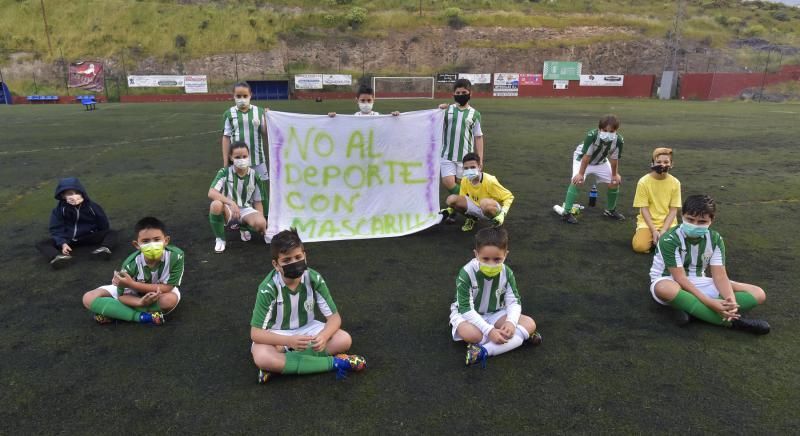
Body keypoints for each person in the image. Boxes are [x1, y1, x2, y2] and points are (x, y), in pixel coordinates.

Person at [250, 228, 366, 383]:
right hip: (278, 335)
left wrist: (324, 337)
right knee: (262, 356)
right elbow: (256, 333)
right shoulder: (268, 288)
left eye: (298, 257)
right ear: (276, 264)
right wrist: (288, 342)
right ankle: (336, 363)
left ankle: (279, 366)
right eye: (286, 260)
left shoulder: (314, 278)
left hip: (308, 330)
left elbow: (334, 318)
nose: (294, 263)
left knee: (343, 339)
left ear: (305, 256)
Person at [649, 195, 770, 334]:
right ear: (682, 215)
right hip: (670, 280)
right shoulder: (669, 239)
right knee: (664, 289)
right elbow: (680, 278)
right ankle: (734, 323)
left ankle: (693, 310)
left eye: (702, 221)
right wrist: (710, 303)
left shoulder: (715, 238)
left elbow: (719, 276)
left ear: (711, 220)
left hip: (699, 281)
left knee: (758, 294)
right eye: (690, 219)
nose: (695, 225)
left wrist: (730, 301)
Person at [449, 227, 541, 367]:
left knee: (530, 323)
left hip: (496, 312)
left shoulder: (507, 272)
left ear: (506, 255)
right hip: (468, 315)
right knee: (471, 335)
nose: (491, 264)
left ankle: (483, 350)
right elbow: (466, 309)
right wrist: (489, 330)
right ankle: (520, 338)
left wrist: (510, 322)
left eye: (497, 259)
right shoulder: (466, 273)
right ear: (476, 254)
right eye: (485, 259)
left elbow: (514, 302)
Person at [81, 217, 184, 325]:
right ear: (137, 245)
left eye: (157, 239)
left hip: (161, 293)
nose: (152, 245)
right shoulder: (130, 264)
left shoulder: (176, 256)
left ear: (166, 241)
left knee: (169, 300)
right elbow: (122, 296)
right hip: (132, 294)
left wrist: (132, 284)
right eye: (146, 241)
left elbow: (168, 287)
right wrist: (140, 301)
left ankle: (115, 313)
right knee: (88, 298)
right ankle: (142, 317)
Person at [553, 114, 625, 224]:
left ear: (616, 130)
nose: (608, 134)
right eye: (605, 130)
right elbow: (586, 157)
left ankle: (610, 210)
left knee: (614, 181)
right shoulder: (592, 136)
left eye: (611, 132)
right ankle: (566, 213)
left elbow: (614, 159)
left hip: (601, 161)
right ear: (599, 129)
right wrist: (581, 174)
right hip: (582, 159)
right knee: (578, 181)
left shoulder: (619, 140)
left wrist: (615, 175)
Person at [36, 177, 117, 269]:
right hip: (69, 240)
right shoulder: (59, 210)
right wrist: (63, 243)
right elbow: (56, 228)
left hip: (88, 236)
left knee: (111, 232)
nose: (74, 196)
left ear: (82, 193)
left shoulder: (91, 206)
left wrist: (99, 235)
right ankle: (58, 257)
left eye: (77, 193)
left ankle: (104, 249)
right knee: (42, 243)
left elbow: (103, 223)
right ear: (63, 196)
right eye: (70, 194)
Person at [208, 141, 269, 253]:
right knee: (215, 205)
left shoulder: (255, 175)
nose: (242, 159)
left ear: (248, 156)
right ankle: (220, 239)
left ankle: (244, 227)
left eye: (244, 156)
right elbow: (211, 192)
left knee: (261, 223)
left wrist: (263, 225)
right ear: (231, 157)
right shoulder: (224, 172)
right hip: (228, 208)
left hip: (246, 209)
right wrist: (231, 202)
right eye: (237, 157)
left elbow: (258, 201)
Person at [438, 78, 484, 223]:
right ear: (453, 94)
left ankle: (456, 208)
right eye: (458, 92)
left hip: (466, 159)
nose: (461, 94)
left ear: (470, 93)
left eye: (464, 92)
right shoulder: (447, 110)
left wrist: (480, 159)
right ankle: (471, 208)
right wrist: (438, 109)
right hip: (447, 155)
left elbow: (478, 137)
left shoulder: (475, 114)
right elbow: (433, 121)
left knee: (462, 184)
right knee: (448, 182)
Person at [443, 153, 513, 232]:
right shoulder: (465, 179)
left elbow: (509, 197)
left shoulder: (490, 181)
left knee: (484, 203)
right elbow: (462, 198)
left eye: (472, 167)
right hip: (477, 207)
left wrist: (502, 214)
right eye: (466, 168)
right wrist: (449, 210)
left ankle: (497, 223)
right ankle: (472, 218)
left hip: (490, 208)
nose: (469, 170)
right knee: (451, 199)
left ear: (479, 167)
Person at [632, 147, 681, 253]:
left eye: (666, 162)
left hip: (669, 224)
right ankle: (650, 237)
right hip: (647, 222)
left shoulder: (675, 183)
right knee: (639, 247)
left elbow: (673, 210)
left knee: (676, 248)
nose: (662, 165)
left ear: (671, 164)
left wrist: (663, 230)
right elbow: (644, 208)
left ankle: (657, 240)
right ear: (652, 164)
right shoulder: (643, 182)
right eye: (658, 162)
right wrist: (654, 230)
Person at [222, 82, 269, 183]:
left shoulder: (260, 112)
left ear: (250, 95)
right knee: (238, 188)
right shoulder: (229, 113)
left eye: (245, 96)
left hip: (258, 159)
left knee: (261, 190)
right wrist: (226, 161)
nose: (242, 99)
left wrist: (267, 118)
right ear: (233, 96)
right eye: (238, 96)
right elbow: (226, 138)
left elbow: (267, 134)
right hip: (237, 160)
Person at [327, 84, 400, 117]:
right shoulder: (353, 117)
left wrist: (395, 118)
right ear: (357, 100)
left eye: (369, 100)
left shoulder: (379, 116)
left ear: (373, 100)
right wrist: (333, 119)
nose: (366, 103)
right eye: (362, 100)